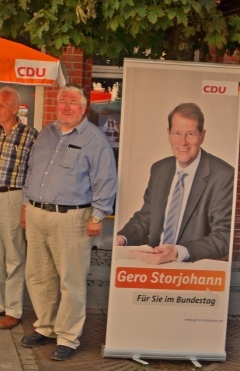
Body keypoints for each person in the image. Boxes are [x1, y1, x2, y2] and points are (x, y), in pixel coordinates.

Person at [20, 84, 116, 362]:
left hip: (73, 218)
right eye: (63, 101)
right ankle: (46, 326)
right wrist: (27, 205)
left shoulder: (94, 139)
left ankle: (68, 337)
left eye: (73, 102)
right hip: (38, 214)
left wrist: (98, 216)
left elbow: (105, 180)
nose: (66, 107)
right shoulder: (46, 134)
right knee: (38, 276)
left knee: (71, 281)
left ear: (84, 107)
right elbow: (32, 171)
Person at [116, 103, 233, 264]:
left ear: (202, 135)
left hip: (195, 270)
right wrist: (122, 238)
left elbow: (224, 236)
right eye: (177, 133)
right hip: (155, 266)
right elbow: (147, 217)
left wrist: (178, 252)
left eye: (190, 133)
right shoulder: (159, 170)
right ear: (169, 134)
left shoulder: (223, 176)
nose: (182, 142)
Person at [0, 87, 37, 330]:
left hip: (14, 197)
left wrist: (25, 207)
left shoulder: (31, 135)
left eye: (1, 106)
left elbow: (34, 174)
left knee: (14, 255)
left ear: (15, 108)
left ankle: (13, 309)